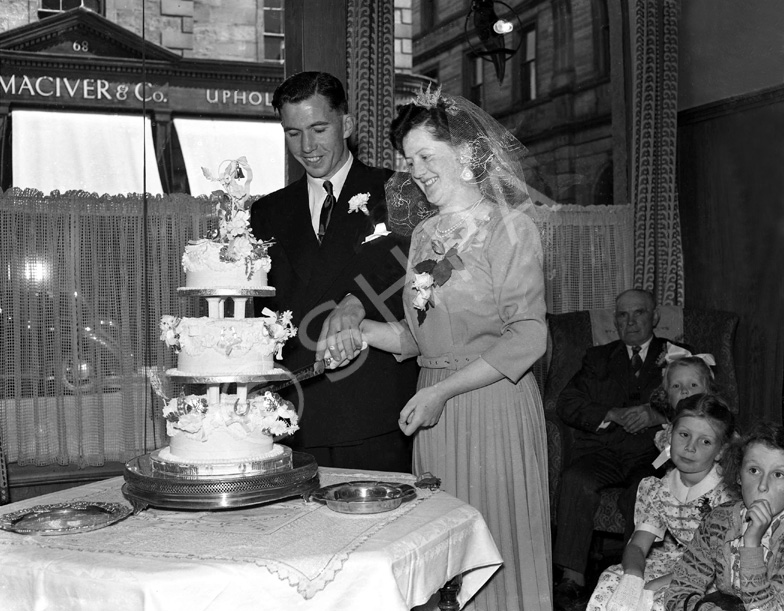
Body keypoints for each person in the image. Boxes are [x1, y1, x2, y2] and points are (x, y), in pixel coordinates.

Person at [335, 87, 551, 611]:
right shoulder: (425, 234)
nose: (416, 171)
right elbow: (421, 337)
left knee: (495, 548)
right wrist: (362, 333)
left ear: (466, 155)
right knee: (444, 563)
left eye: (426, 156)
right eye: (409, 161)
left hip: (492, 407)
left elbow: (529, 335)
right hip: (433, 408)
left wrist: (444, 392)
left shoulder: (511, 228)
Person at [249, 71, 418, 472]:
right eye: (293, 133)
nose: (307, 147)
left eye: (318, 128)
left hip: (375, 412)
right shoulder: (266, 212)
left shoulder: (400, 191)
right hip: (295, 417)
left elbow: (423, 280)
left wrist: (356, 301)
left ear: (347, 123)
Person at [553, 289, 687, 604]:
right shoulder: (597, 357)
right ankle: (572, 577)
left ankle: (634, 574)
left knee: (641, 492)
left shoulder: (678, 354)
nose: (630, 321)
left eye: (638, 312)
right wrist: (608, 413)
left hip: (652, 455)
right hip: (604, 450)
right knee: (576, 479)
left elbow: (700, 401)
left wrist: (654, 414)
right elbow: (567, 403)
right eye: (622, 315)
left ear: (654, 317)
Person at [586, 392, 738, 611]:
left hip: (711, 573)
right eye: (684, 434)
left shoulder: (726, 495)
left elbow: (716, 563)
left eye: (705, 441)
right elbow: (638, 545)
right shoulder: (658, 489)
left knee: (662, 600)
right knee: (612, 580)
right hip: (669, 560)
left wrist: (653, 585)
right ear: (669, 435)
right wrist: (633, 576)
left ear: (720, 451)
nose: (690, 447)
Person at [661, 421, 784, 611]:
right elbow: (680, 589)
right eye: (754, 470)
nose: (762, 485)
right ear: (738, 476)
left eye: (778, 474)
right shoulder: (719, 520)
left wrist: (752, 544)